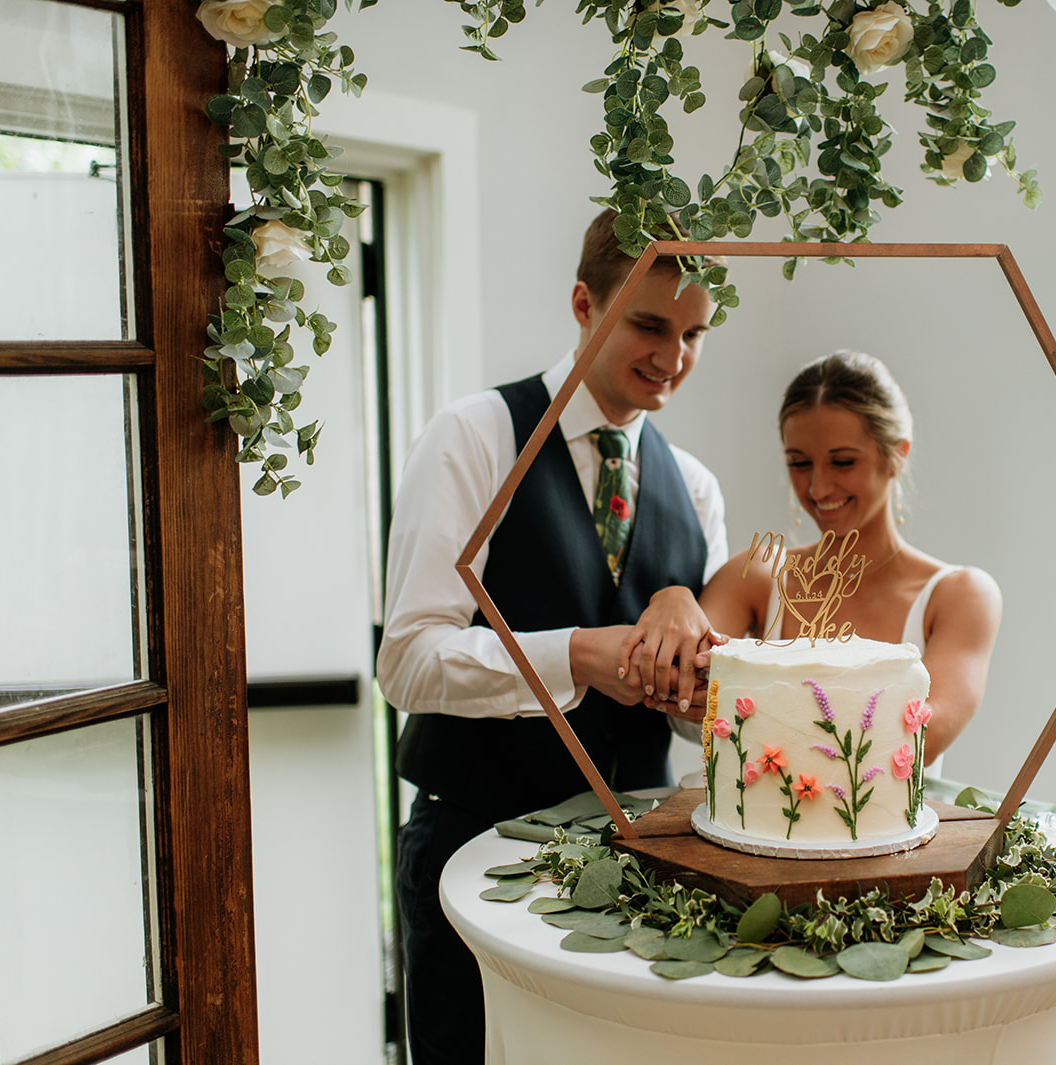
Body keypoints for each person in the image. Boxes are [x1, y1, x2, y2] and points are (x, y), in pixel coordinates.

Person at [376, 209, 727, 1065]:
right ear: (582, 302)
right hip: (475, 856)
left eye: (694, 333)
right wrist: (574, 654)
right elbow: (409, 659)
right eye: (648, 323)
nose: (671, 358)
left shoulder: (697, 486)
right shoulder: (475, 435)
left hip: (644, 873)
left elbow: (700, 719)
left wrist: (698, 691)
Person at [620, 351, 1002, 763]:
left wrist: (744, 702)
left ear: (898, 454)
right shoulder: (757, 576)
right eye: (799, 463)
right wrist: (674, 599)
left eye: (842, 462)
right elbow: (684, 704)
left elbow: (924, 736)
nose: (818, 487)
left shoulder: (961, 595)